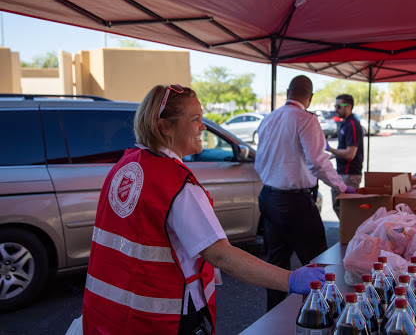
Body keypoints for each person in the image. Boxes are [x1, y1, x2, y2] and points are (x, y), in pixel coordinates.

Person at [81, 84, 325, 335]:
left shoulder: (125, 166)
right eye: (195, 119)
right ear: (164, 126)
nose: (203, 126)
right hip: (160, 319)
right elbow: (221, 255)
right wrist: (290, 279)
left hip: (110, 315)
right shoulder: (176, 185)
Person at [255, 75, 356, 311]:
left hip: (269, 197)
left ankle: (274, 320)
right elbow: (318, 163)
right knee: (321, 262)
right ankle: (326, 314)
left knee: (276, 266)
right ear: (310, 98)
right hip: (295, 202)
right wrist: (341, 186)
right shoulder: (306, 119)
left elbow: (260, 161)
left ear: (289, 91)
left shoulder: (269, 119)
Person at [326, 94, 364, 218]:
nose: (336, 109)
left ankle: (349, 235)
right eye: (335, 106)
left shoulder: (352, 124)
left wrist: (330, 148)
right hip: (344, 173)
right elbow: (344, 150)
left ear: (348, 107)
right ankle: (347, 235)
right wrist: (330, 155)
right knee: (341, 208)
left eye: (339, 106)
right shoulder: (345, 123)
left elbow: (350, 153)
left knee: (346, 210)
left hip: (349, 175)